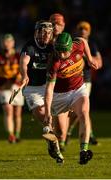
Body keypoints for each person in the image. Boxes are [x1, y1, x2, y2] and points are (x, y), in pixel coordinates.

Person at [44, 32, 100, 164]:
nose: (61, 55)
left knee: (84, 114)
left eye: (64, 52)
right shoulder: (54, 63)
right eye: (59, 51)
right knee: (61, 133)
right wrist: (47, 112)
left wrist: (90, 59)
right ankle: (53, 146)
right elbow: (49, 89)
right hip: (59, 96)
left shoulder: (77, 45)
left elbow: (83, 41)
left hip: (78, 89)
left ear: (70, 47)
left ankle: (83, 151)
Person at [19, 20, 64, 163]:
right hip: (32, 87)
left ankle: (54, 141)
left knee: (60, 129)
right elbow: (23, 63)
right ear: (36, 32)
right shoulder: (30, 46)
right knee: (42, 115)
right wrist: (24, 75)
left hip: (49, 85)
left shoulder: (53, 47)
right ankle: (54, 146)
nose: (45, 35)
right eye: (43, 32)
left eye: (48, 32)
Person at [66, 21, 103, 145]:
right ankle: (70, 132)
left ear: (89, 31)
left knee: (82, 110)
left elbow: (99, 62)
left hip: (85, 80)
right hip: (72, 79)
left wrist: (88, 57)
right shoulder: (72, 43)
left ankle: (74, 132)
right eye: (81, 28)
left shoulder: (92, 45)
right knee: (77, 111)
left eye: (85, 29)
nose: (83, 31)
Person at [0, 34, 24, 143]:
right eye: (4, 42)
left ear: (13, 43)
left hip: (16, 87)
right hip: (3, 87)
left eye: (8, 41)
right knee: (8, 110)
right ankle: (11, 135)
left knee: (17, 112)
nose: (6, 44)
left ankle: (17, 134)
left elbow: (24, 68)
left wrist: (21, 76)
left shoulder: (18, 56)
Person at [49, 13, 69, 151]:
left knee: (60, 128)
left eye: (59, 24)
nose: (56, 27)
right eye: (53, 24)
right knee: (48, 118)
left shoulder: (67, 40)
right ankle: (54, 144)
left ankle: (60, 140)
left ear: (63, 26)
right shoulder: (44, 40)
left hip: (63, 86)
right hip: (47, 84)